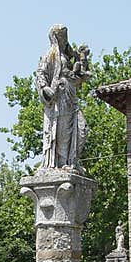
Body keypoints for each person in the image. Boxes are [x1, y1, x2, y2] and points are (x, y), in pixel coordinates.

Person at [35, 24, 90, 172]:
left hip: (71, 99)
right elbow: (40, 73)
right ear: (56, 37)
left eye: (66, 35)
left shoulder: (67, 56)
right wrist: (46, 88)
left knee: (82, 129)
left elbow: (76, 76)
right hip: (59, 101)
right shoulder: (51, 55)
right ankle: (62, 163)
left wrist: (82, 63)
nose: (65, 39)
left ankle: (72, 161)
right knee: (62, 134)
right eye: (63, 36)